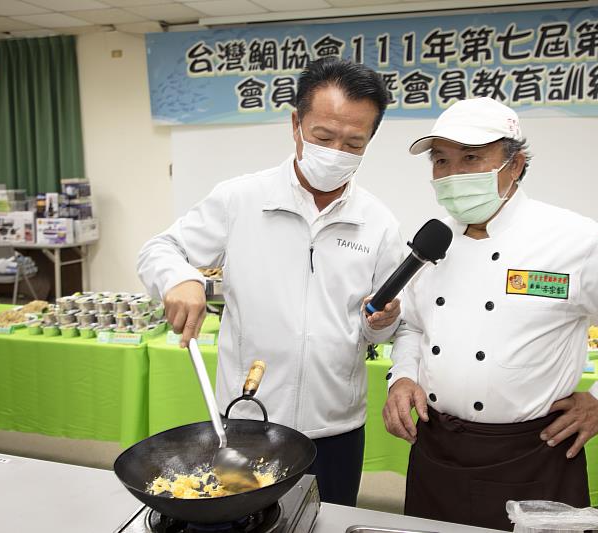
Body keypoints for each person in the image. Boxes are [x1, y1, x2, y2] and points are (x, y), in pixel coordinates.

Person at [382, 97, 598, 530]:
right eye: (441, 161)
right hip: (437, 447)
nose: (452, 175)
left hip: (533, 451)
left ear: (516, 163)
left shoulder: (571, 240)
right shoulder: (435, 242)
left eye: (470, 158)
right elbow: (412, 323)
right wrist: (404, 375)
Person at [138, 58, 404, 506]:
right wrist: (181, 277)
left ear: (370, 140)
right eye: (323, 136)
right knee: (243, 520)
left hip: (335, 427)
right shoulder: (240, 199)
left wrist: (383, 322)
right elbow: (158, 250)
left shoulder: (378, 223)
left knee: (326, 520)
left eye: (353, 142)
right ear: (296, 123)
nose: (337, 150)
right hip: (246, 423)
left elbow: (383, 328)